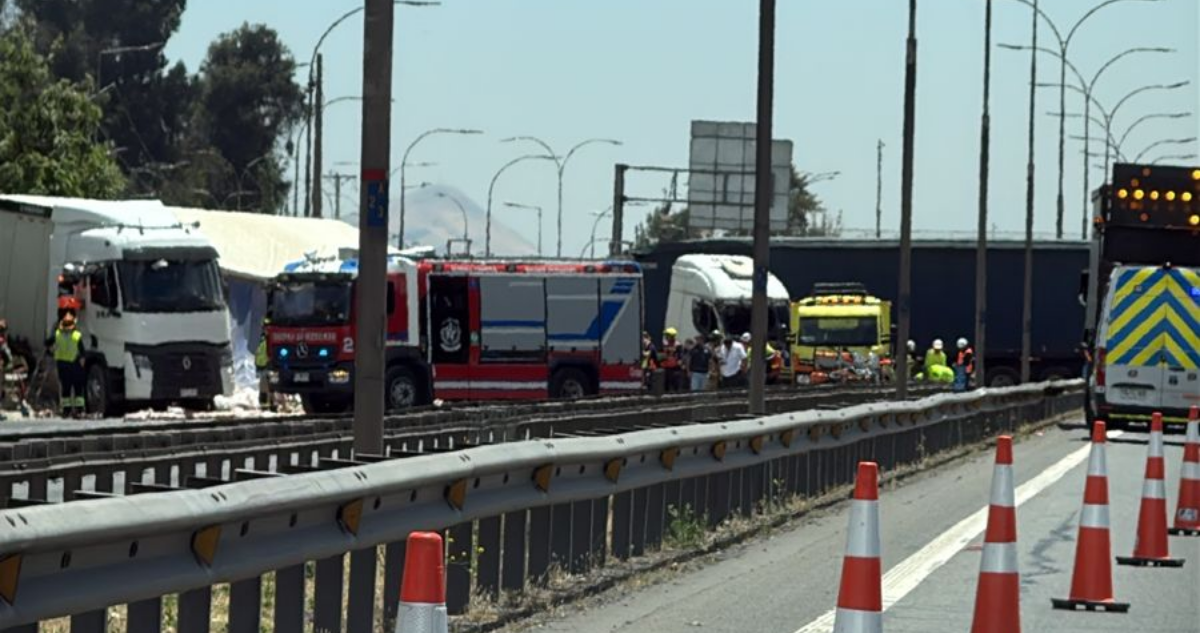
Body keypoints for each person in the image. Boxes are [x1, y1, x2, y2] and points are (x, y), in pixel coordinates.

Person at [47, 312, 86, 418]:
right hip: (74, 365)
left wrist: (51, 352)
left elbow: (47, 344)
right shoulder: (76, 335)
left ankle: (67, 411)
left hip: (63, 365)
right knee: (77, 388)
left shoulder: (58, 335)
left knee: (66, 389)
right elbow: (82, 351)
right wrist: (82, 360)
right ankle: (79, 410)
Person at [256, 318, 275, 411]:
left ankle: (270, 403)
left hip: (268, 363)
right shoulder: (262, 337)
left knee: (269, 384)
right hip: (262, 364)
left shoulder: (269, 337)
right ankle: (266, 403)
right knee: (264, 384)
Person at [659, 327, 684, 392]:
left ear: (672, 336)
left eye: (667, 335)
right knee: (665, 384)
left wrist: (680, 361)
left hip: (674, 368)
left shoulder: (678, 345)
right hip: (664, 367)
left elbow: (680, 356)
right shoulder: (663, 344)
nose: (666, 336)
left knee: (675, 384)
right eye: (665, 335)